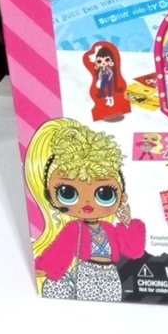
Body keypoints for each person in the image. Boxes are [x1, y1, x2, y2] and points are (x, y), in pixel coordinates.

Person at [25, 118, 146, 302]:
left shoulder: (109, 228)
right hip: (87, 273)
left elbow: (134, 251)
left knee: (111, 303)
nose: (88, 203)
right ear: (50, 196)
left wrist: (127, 223)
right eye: (68, 192)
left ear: (121, 196)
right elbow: (62, 250)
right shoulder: (76, 228)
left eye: (105, 194)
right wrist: (45, 267)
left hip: (110, 275)